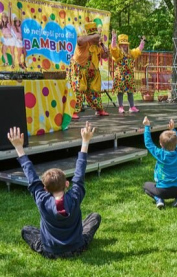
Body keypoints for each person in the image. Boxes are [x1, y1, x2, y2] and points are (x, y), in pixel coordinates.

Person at [7, 123, 101, 258]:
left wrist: (18, 147)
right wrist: (85, 141)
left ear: (45, 189)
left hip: (50, 251)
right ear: (67, 184)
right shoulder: (74, 197)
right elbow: (80, 172)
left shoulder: (42, 199)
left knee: (26, 230)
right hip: (77, 247)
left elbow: (31, 176)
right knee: (94, 217)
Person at [68, 22, 109, 119]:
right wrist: (95, 36)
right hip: (79, 70)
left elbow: (105, 56)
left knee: (94, 91)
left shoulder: (97, 46)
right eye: (95, 37)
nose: (97, 39)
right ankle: (73, 111)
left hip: (92, 72)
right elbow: (79, 40)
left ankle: (100, 110)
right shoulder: (83, 43)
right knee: (78, 90)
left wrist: (104, 48)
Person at [143, 117, 177, 209]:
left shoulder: (160, 154)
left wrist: (147, 126)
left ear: (161, 144)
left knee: (146, 186)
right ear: (176, 143)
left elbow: (148, 143)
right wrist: (173, 129)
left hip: (162, 190)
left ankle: (159, 199)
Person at [110, 30, 145, 114]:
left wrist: (142, 42)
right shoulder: (118, 53)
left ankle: (132, 106)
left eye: (125, 44)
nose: (124, 45)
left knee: (130, 91)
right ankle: (121, 107)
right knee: (120, 91)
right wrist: (114, 38)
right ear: (120, 45)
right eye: (122, 44)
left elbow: (138, 50)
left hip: (129, 75)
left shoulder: (130, 53)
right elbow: (113, 48)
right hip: (120, 75)